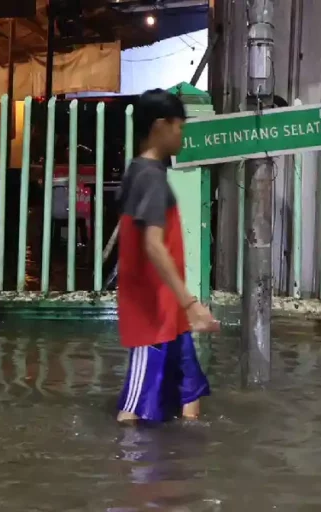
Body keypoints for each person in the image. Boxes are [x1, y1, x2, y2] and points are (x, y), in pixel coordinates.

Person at [116, 89, 219, 424]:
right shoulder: (150, 178)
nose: (182, 135)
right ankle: (133, 470)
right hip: (154, 317)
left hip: (168, 316)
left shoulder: (140, 171)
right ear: (161, 126)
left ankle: (183, 466)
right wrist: (190, 303)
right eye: (179, 127)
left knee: (189, 396)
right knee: (132, 413)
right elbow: (153, 246)